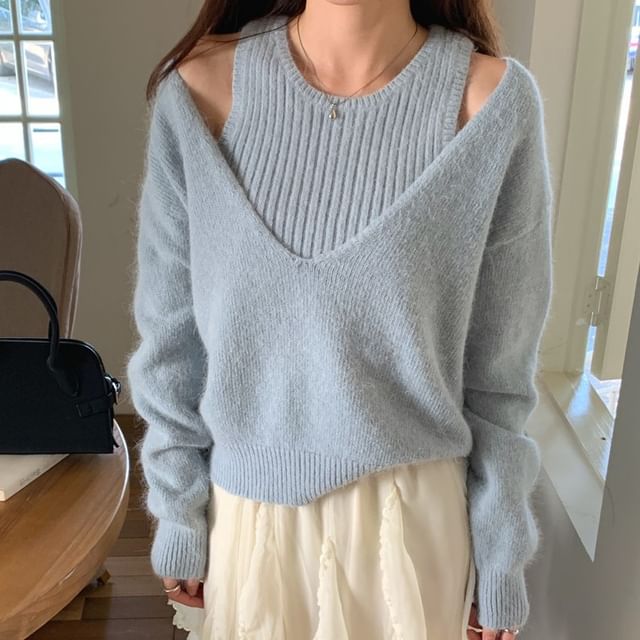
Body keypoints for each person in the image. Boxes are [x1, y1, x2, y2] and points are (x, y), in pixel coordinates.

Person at [126, 1, 554, 639]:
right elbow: (171, 346)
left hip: (413, 539)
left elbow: (500, 376)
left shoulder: (492, 107)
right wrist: (178, 510)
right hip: (248, 528)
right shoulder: (196, 96)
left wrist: (500, 556)